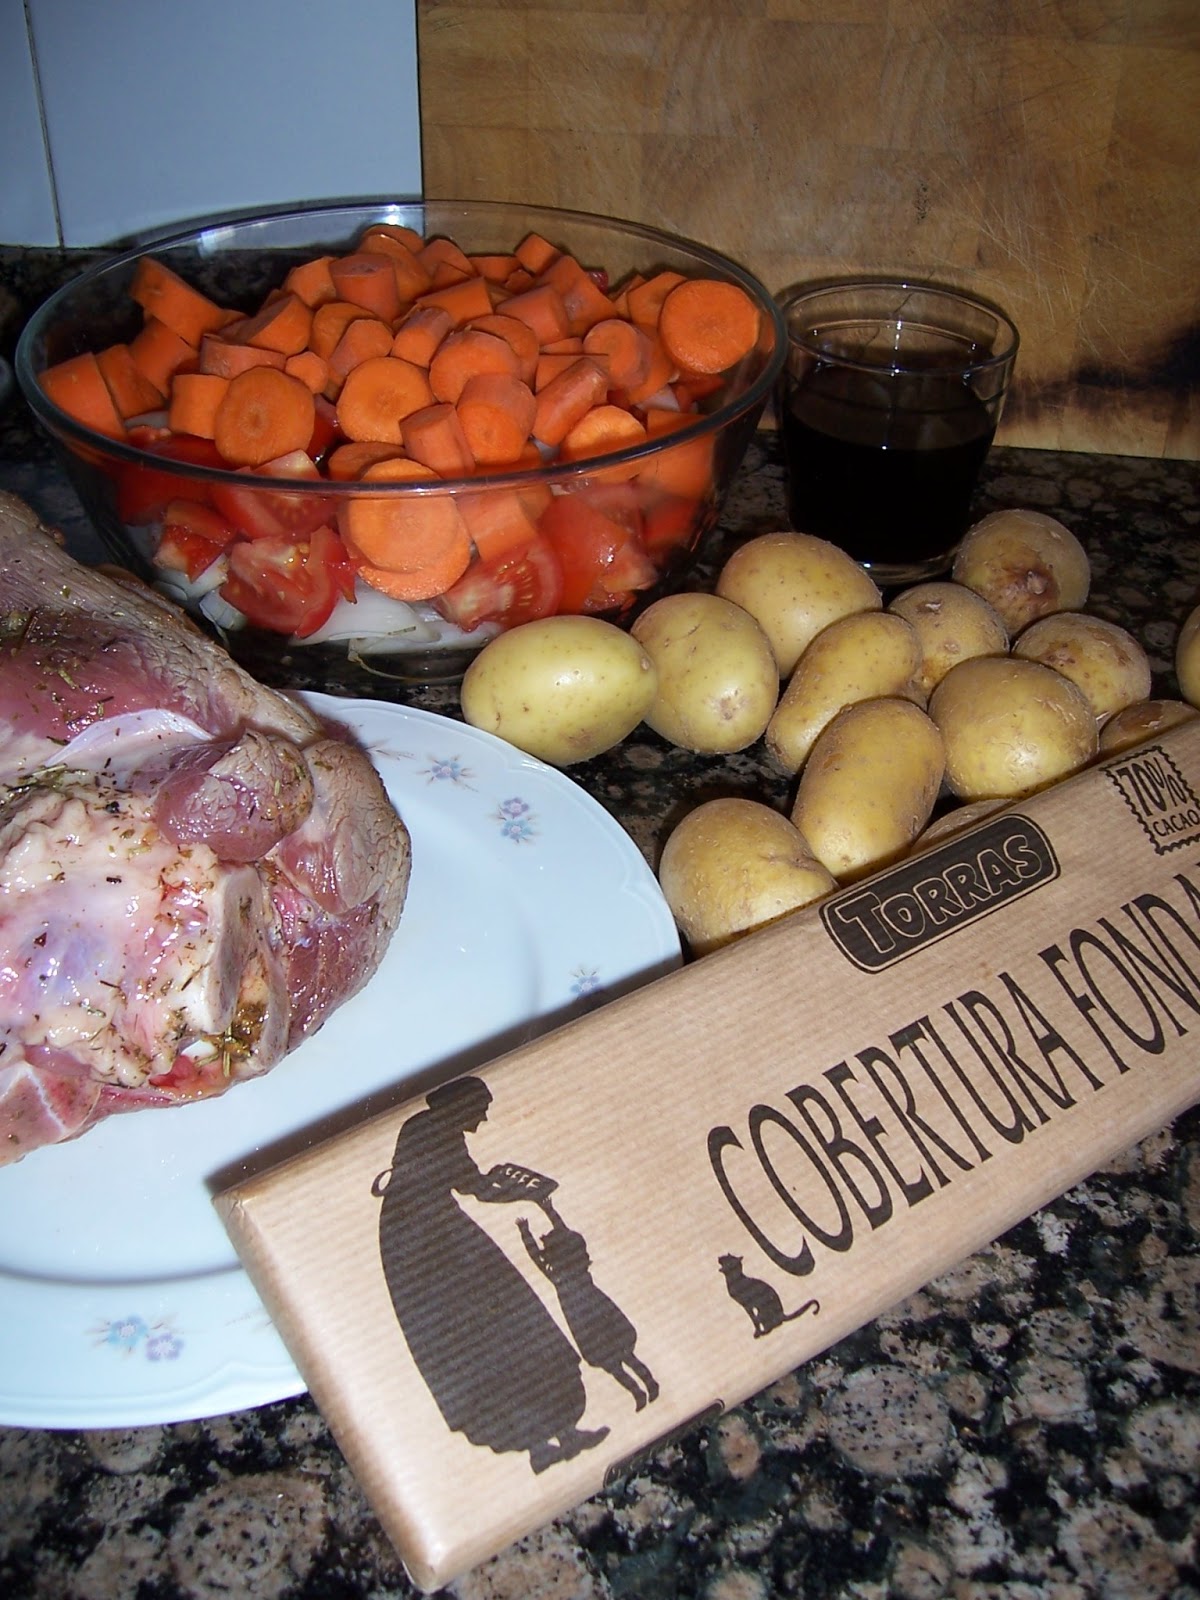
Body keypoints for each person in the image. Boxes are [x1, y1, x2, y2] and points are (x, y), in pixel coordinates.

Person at [372, 1075, 608, 1473]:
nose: (482, 1120)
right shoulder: (432, 1129)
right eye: (480, 1110)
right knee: (485, 1328)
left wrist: (507, 1188)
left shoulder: (433, 1128)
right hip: (425, 1241)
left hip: (435, 1229)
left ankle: (560, 1434)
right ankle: (539, 1442)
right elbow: (474, 1186)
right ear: (462, 1105)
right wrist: (525, 1193)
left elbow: (470, 1183)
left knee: (504, 1318)